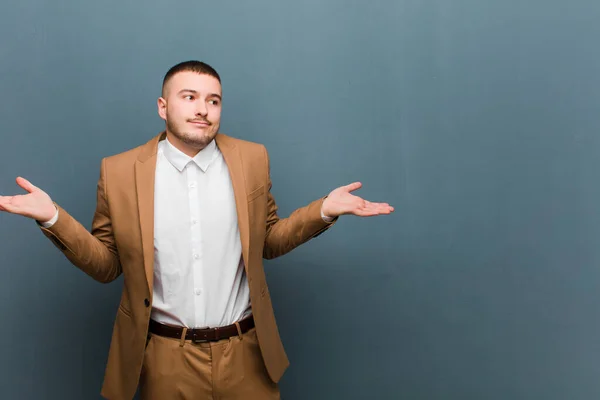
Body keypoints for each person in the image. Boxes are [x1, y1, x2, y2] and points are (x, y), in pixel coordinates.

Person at [0, 60, 394, 400]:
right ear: (162, 106)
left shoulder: (252, 159)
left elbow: (268, 242)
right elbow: (107, 265)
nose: (203, 109)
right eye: (189, 97)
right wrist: (52, 217)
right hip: (166, 359)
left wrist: (322, 211)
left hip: (248, 355)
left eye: (213, 100)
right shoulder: (119, 171)